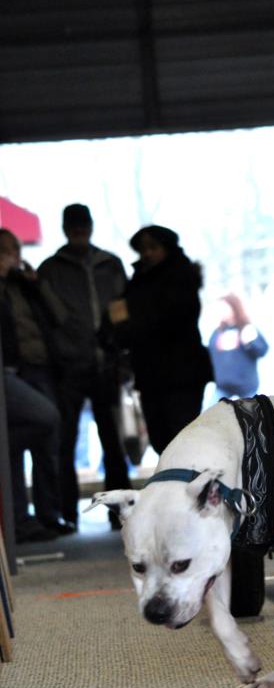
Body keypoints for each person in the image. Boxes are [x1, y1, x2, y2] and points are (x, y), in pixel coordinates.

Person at [38, 204, 130, 529]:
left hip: (107, 365)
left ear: (90, 226)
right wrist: (57, 357)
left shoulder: (111, 265)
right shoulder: (50, 270)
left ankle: (119, 512)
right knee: (65, 442)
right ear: (65, 229)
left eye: (83, 225)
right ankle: (68, 513)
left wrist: (121, 352)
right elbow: (46, 320)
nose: (79, 230)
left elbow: (122, 310)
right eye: (73, 226)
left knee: (113, 443)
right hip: (68, 367)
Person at [108, 225, 212, 454]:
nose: (147, 254)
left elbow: (167, 320)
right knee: (161, 438)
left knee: (182, 437)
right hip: (151, 374)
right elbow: (120, 315)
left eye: (153, 248)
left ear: (167, 248)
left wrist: (131, 327)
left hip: (181, 374)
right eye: (143, 249)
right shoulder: (138, 281)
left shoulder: (181, 277)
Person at [0, 229, 73, 541]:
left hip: (39, 367)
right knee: (32, 429)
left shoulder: (24, 285)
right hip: (15, 369)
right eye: (9, 251)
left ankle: (46, 514)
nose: (14, 257)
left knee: (46, 442)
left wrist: (36, 285)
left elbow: (60, 317)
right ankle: (20, 517)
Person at [208, 293, 269, 400]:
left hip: (246, 387)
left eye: (224, 308)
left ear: (233, 307)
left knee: (252, 414)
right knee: (210, 414)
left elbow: (262, 350)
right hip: (223, 387)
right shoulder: (218, 332)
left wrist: (250, 342)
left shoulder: (246, 328)